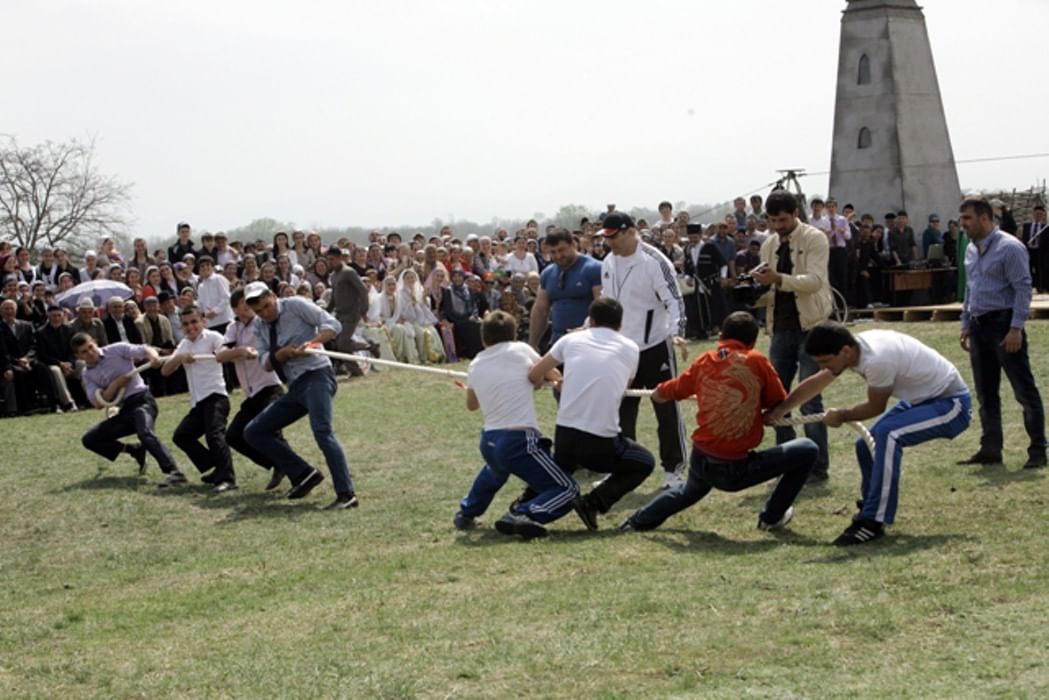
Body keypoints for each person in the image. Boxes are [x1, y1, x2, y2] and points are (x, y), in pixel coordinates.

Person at [769, 322, 972, 545]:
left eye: (826, 361)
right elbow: (816, 383)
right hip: (922, 400)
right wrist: (781, 410)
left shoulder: (877, 360)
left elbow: (875, 408)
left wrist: (842, 415)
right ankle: (870, 504)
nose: (823, 367)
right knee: (865, 444)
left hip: (952, 405)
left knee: (888, 434)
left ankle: (873, 521)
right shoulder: (852, 348)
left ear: (845, 351)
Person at [619, 312, 818, 533]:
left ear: (721, 335)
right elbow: (777, 401)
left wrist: (659, 393)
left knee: (688, 492)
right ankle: (772, 517)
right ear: (752, 342)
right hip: (735, 468)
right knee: (807, 450)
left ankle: (637, 521)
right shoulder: (756, 360)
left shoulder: (705, 360)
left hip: (702, 455)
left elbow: (675, 388)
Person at [528, 297, 656, 529]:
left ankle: (525, 502)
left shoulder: (570, 340)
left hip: (565, 435)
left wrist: (556, 380)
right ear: (620, 325)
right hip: (601, 442)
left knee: (561, 466)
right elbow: (623, 386)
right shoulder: (631, 348)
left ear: (591, 320)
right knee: (645, 462)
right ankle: (593, 503)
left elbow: (535, 373)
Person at [454, 310, 579, 539]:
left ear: (483, 338)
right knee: (567, 489)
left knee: (496, 471)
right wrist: (536, 380)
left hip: (489, 440)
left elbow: (472, 405)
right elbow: (552, 373)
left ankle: (467, 512)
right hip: (519, 439)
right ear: (513, 335)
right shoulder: (521, 349)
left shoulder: (476, 363)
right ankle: (523, 514)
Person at [243, 282, 359, 509]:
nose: (265, 314)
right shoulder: (259, 325)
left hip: (317, 375)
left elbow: (332, 324)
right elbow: (264, 361)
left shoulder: (296, 305)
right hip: (295, 386)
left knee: (322, 431)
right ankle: (303, 473)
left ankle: (346, 494)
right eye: (259, 311)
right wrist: (282, 355)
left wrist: (313, 343)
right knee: (254, 431)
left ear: (273, 296)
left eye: (267, 306)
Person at [597, 211, 689, 489]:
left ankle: (673, 470)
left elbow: (675, 300)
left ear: (629, 232)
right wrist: (591, 326)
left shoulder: (654, 261)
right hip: (621, 351)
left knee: (667, 410)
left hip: (655, 347)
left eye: (613, 236)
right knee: (620, 414)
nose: (609, 242)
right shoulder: (607, 262)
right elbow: (607, 302)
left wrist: (677, 333)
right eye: (606, 237)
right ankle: (623, 468)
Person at [957, 196, 1046, 470]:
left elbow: (1022, 288)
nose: (963, 226)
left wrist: (1016, 328)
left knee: (1023, 390)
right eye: (962, 220)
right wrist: (965, 322)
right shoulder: (971, 250)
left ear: (985, 218)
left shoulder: (1010, 248)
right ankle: (990, 448)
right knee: (986, 392)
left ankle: (1038, 450)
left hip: (1003, 324)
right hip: (979, 324)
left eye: (968, 219)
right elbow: (971, 288)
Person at [751, 189, 834, 483]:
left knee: (811, 399)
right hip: (781, 328)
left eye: (783, 219)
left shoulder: (815, 238)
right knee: (777, 400)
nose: (777, 225)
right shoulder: (769, 244)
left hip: (811, 327)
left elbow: (814, 282)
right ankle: (785, 462)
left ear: (795, 214)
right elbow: (770, 288)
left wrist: (778, 279)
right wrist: (753, 292)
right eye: (773, 220)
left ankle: (817, 467)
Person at [74, 333, 185, 484]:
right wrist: (117, 384)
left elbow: (145, 349)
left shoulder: (116, 349)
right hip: (125, 409)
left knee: (145, 432)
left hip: (142, 401)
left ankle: (174, 471)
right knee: (90, 439)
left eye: (90, 347)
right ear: (78, 356)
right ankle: (134, 450)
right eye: (84, 352)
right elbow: (97, 403)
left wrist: (153, 357)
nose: (90, 353)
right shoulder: (87, 375)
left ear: (95, 342)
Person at [216, 288, 289, 491]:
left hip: (269, 386)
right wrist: (239, 351)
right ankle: (277, 464)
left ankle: (299, 474)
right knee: (234, 436)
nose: (249, 307)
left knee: (272, 432)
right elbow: (220, 355)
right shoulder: (233, 328)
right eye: (244, 303)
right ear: (235, 309)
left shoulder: (261, 324)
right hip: (251, 394)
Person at [161, 306, 237, 491]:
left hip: (216, 396)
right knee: (182, 436)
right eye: (186, 324)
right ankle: (217, 466)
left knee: (214, 435)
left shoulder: (213, 338)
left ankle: (227, 479)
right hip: (198, 401)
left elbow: (225, 355)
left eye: (194, 321)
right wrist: (179, 358)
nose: (190, 327)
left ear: (203, 320)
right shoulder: (184, 344)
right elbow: (165, 370)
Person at [528, 230, 602, 354]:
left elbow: (602, 308)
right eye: (553, 252)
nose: (558, 256)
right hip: (558, 344)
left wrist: (587, 328)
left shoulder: (594, 269)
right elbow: (541, 310)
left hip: (588, 344)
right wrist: (532, 344)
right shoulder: (548, 273)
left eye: (561, 250)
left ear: (573, 244)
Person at [0, 298, 59, 414]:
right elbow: (2, 351)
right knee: (19, 373)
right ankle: (26, 407)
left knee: (42, 369)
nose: (9, 311)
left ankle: (54, 403)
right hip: (10, 363)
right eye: (6, 309)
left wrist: (27, 359)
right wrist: (17, 361)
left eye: (11, 308)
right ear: (1, 312)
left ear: (16, 310)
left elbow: (33, 346)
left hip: (28, 360)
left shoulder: (26, 326)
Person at [326, 247, 372, 375]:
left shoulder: (349, 272)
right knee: (341, 345)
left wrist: (364, 310)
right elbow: (334, 297)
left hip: (352, 313)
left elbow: (362, 290)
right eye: (328, 260)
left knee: (342, 344)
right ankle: (356, 370)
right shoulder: (334, 276)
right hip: (340, 314)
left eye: (332, 259)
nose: (330, 262)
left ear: (340, 258)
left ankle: (367, 346)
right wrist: (326, 311)